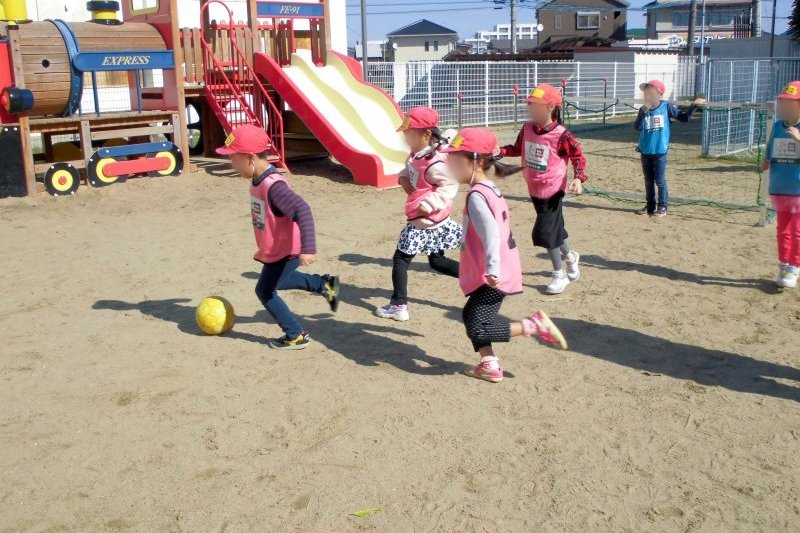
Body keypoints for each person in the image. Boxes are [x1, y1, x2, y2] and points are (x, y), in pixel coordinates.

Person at [445, 127, 568, 383]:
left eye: (456, 160)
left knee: (478, 324)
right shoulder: (488, 188)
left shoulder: (477, 195)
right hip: (497, 267)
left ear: (477, 161)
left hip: (493, 273)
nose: (451, 165)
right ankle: (489, 363)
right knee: (472, 315)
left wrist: (492, 269)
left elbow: (491, 234)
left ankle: (533, 326)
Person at [216, 124, 340, 349]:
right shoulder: (258, 180)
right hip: (278, 248)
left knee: (265, 290)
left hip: (288, 249)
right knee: (279, 281)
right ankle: (324, 284)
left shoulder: (273, 187)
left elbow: (302, 209)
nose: (231, 164)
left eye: (233, 159)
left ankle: (296, 334)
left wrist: (308, 248)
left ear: (250, 158)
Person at [498, 83, 587, 295]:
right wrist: (499, 150)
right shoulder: (528, 128)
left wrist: (578, 178)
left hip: (554, 190)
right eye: (529, 105)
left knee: (545, 232)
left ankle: (559, 274)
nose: (530, 109)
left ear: (550, 107)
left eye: (535, 105)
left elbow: (577, 156)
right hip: (534, 188)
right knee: (556, 229)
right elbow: (517, 148)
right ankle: (571, 256)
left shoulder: (562, 134)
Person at [374, 107, 461, 322]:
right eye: (405, 133)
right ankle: (477, 280)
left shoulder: (435, 162)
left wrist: (429, 204)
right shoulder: (416, 154)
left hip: (425, 220)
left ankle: (398, 305)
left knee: (401, 259)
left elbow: (450, 185)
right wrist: (402, 177)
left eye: (410, 133)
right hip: (429, 219)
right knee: (437, 261)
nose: (406, 137)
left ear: (426, 134)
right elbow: (409, 170)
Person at [634, 79, 706, 217]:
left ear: (659, 95)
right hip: (645, 151)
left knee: (659, 180)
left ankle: (662, 206)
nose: (648, 96)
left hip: (660, 151)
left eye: (651, 93)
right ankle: (650, 206)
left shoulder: (666, 107)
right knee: (648, 180)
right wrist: (643, 111)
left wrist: (693, 105)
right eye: (646, 93)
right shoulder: (643, 110)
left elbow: (683, 118)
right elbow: (637, 127)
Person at [763, 81, 800, 288]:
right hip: (779, 187)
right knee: (782, 228)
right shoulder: (778, 126)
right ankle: (784, 262)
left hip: (797, 189)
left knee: (795, 229)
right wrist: (767, 159)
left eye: (790, 103)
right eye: (783, 102)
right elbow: (771, 146)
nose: (784, 106)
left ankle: (794, 264)